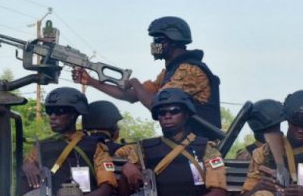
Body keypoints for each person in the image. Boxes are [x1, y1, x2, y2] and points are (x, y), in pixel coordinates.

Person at [73, 16, 221, 130]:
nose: (154, 45)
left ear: (173, 41)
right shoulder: (170, 73)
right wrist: (91, 81)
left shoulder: (189, 71)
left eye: (158, 40)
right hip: (183, 141)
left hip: (199, 144)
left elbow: (157, 106)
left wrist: (135, 82)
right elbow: (130, 96)